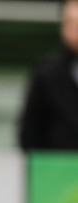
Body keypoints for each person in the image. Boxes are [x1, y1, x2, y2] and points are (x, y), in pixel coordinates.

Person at [18, 0, 78, 150]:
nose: (73, 29)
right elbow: (29, 132)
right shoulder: (46, 72)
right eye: (69, 22)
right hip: (56, 168)